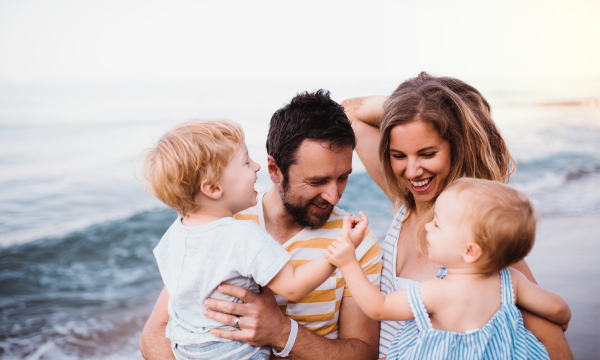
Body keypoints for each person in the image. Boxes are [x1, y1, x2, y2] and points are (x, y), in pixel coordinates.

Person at [342, 71, 573, 359]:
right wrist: (415, 103)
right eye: (398, 155)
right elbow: (349, 114)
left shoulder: (477, 236)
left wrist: (444, 112)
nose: (412, 171)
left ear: (456, 146)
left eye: (427, 154)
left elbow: (548, 332)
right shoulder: (403, 202)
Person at [139, 90, 382, 360]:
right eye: (316, 181)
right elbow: (153, 336)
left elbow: (364, 354)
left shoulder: (358, 242)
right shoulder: (227, 224)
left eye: (343, 178)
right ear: (274, 170)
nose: (333, 196)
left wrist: (282, 333)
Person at [327, 178, 571, 359]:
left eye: (437, 225)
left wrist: (348, 263)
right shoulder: (511, 281)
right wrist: (562, 321)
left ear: (469, 251)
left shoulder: (436, 292)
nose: (427, 227)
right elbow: (559, 309)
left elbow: (377, 307)